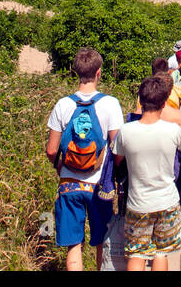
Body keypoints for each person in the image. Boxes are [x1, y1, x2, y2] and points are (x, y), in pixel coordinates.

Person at [45, 48, 123, 271]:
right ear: (99, 73)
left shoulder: (63, 104)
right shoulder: (110, 104)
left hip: (69, 184)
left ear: (74, 71)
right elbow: (118, 149)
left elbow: (51, 150)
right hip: (99, 186)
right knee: (100, 241)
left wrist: (60, 167)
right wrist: (114, 173)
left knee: (73, 245)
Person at [113, 75, 181, 271]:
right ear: (164, 102)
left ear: (140, 100)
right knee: (160, 253)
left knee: (137, 254)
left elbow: (118, 160)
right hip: (167, 201)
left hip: (138, 202)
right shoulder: (173, 130)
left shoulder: (126, 131)